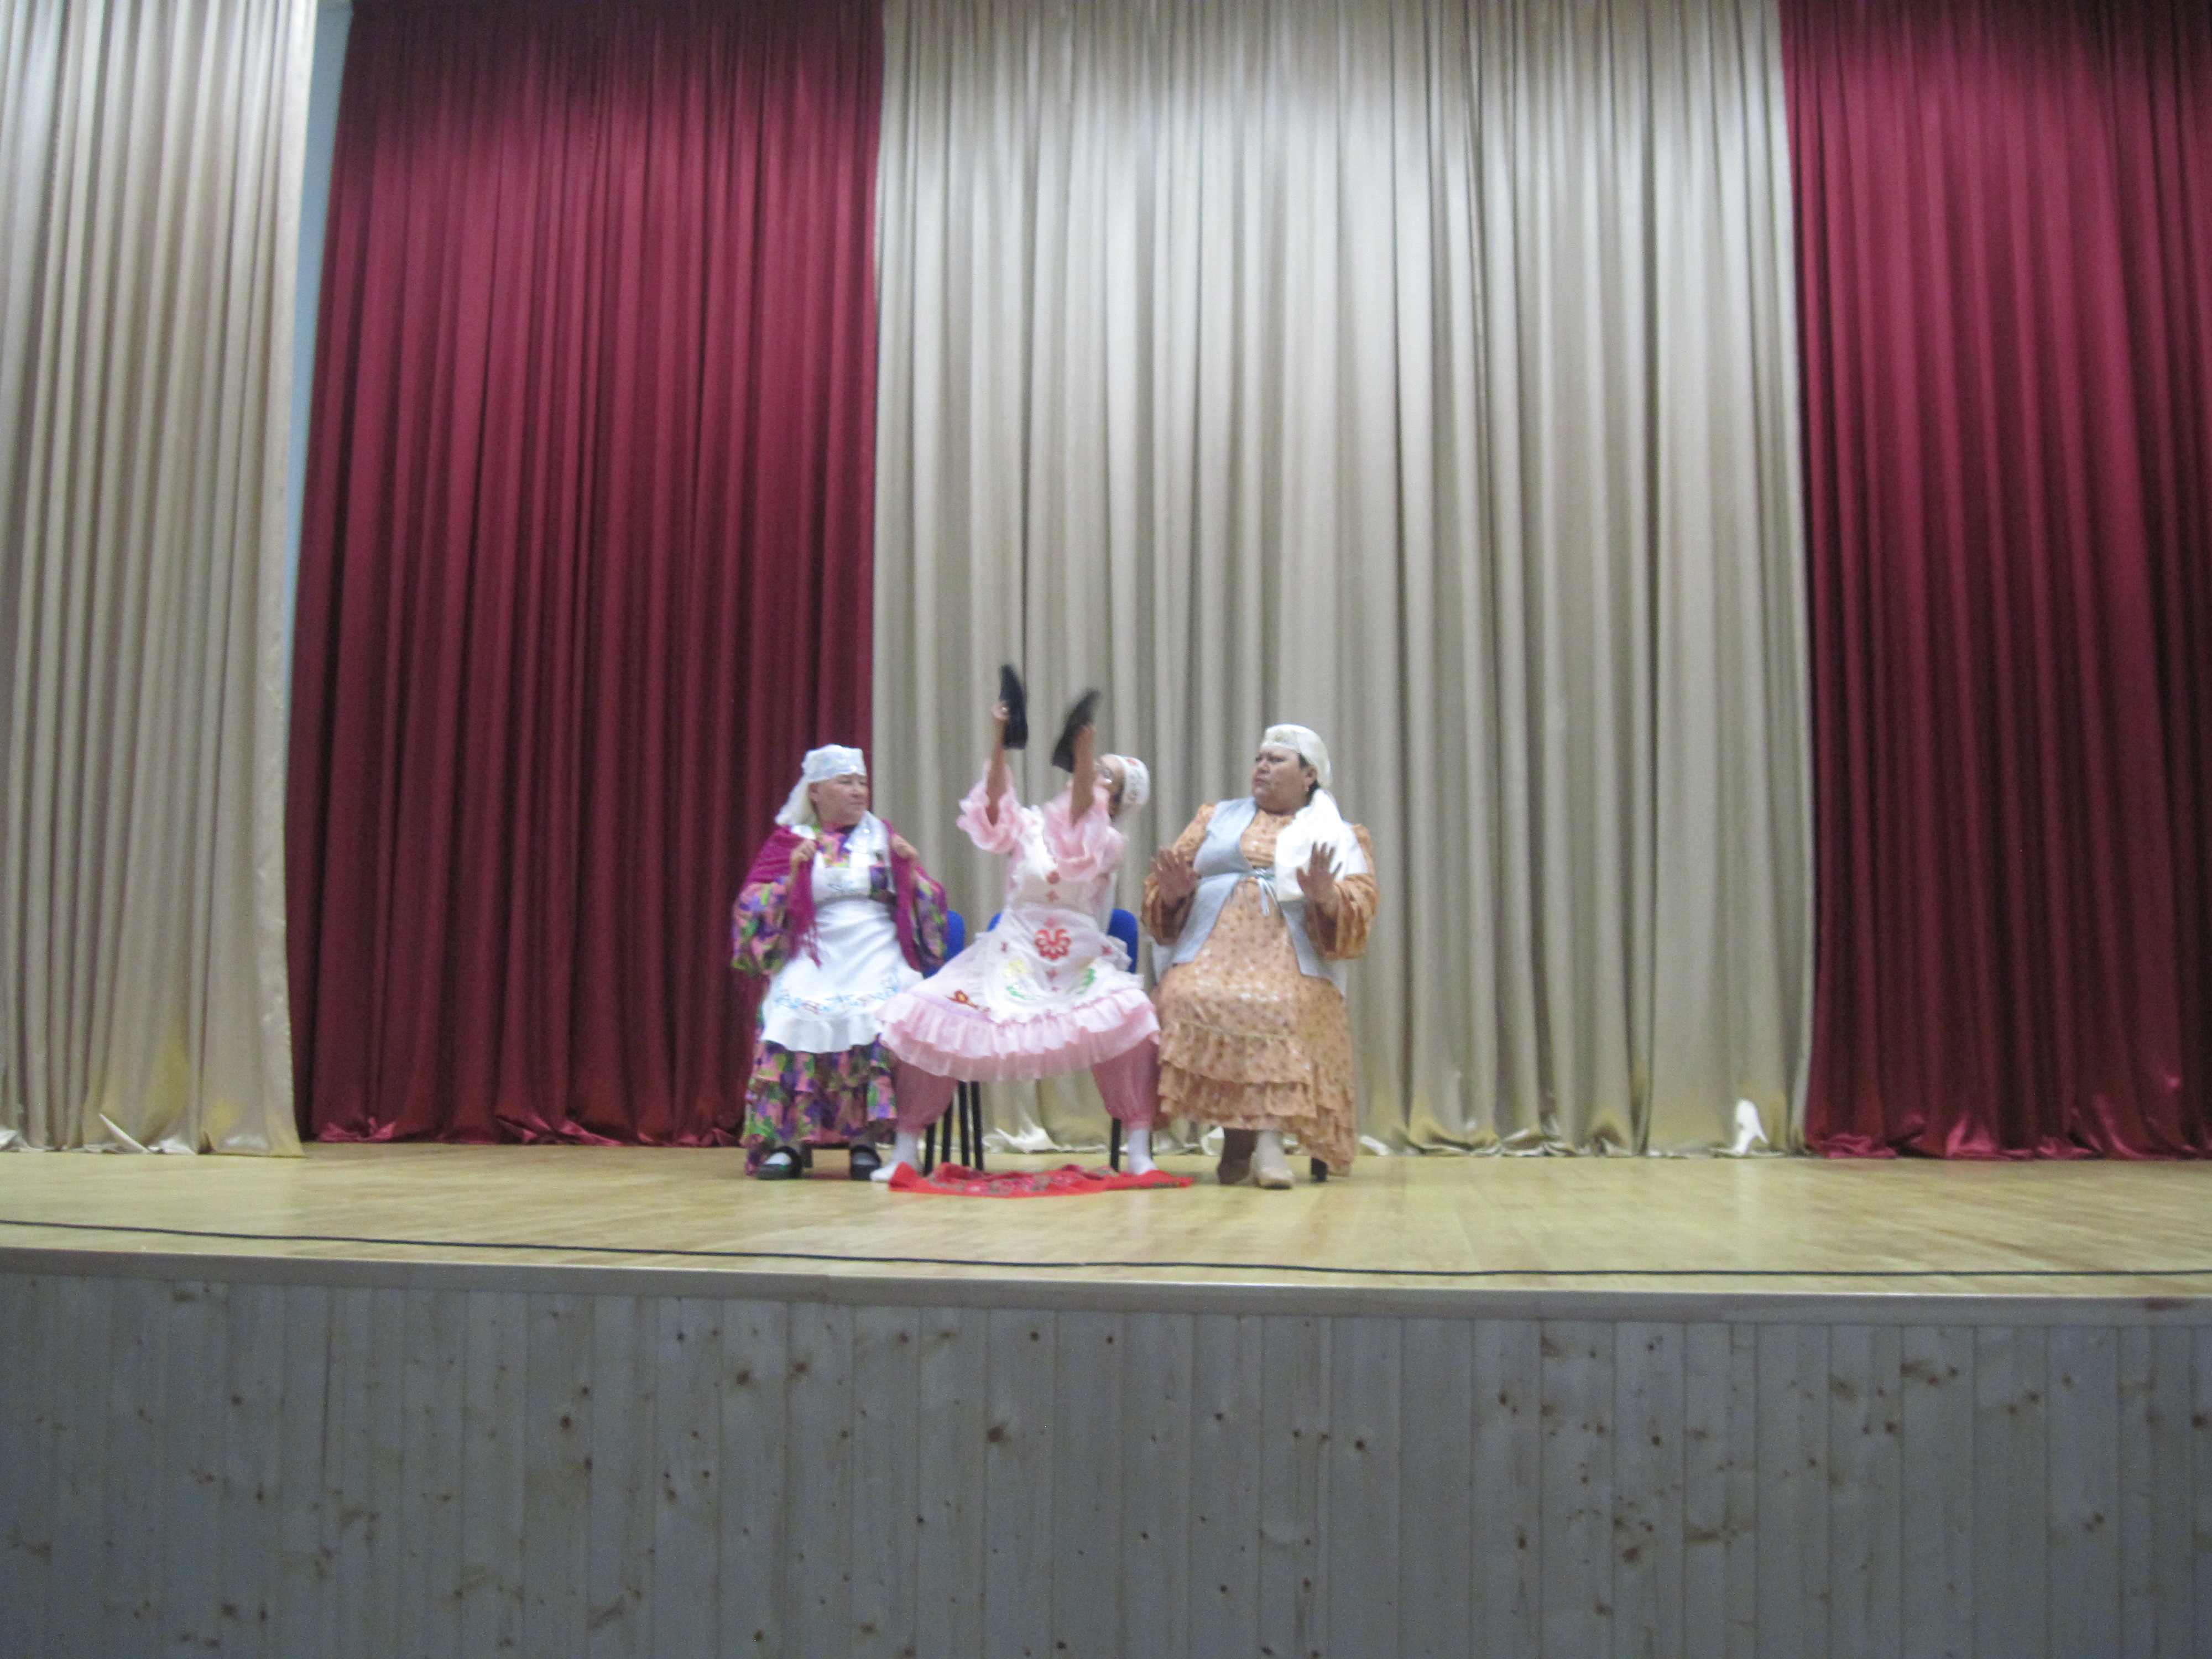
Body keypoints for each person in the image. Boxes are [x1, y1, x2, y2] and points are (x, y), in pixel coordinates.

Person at [875, 698, 1164, 1178]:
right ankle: (906, 1146)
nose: (1091, 773)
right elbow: (992, 810)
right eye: (1094, 766)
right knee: (925, 1012)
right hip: (1009, 953)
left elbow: (1078, 830)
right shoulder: (1030, 825)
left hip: (1074, 961)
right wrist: (1000, 740)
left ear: (1117, 804)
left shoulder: (1107, 842)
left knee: (1133, 1016)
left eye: (1105, 775)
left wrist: (1084, 753)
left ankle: (1138, 1149)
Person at [1143, 724, 1378, 1187]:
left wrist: (1327, 897)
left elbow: (1361, 900)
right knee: (1186, 998)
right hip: (1211, 949)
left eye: (1276, 760)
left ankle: (1264, 1143)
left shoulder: (1337, 833)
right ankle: (1240, 1140)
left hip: (1290, 954)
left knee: (1278, 1007)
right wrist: (1172, 894)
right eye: (1259, 759)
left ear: (1309, 775)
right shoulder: (1214, 817)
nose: (1262, 768)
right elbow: (1167, 884)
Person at [730, 745, 949, 1178]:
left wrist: (910, 869)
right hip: (815, 947)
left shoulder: (882, 836)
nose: (858, 791)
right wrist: (792, 878)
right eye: (845, 782)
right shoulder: (790, 840)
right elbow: (752, 904)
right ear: (815, 791)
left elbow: (925, 899)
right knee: (787, 1013)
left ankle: (862, 1141)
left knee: (876, 1015)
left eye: (862, 782)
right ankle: (789, 1143)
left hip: (876, 947)